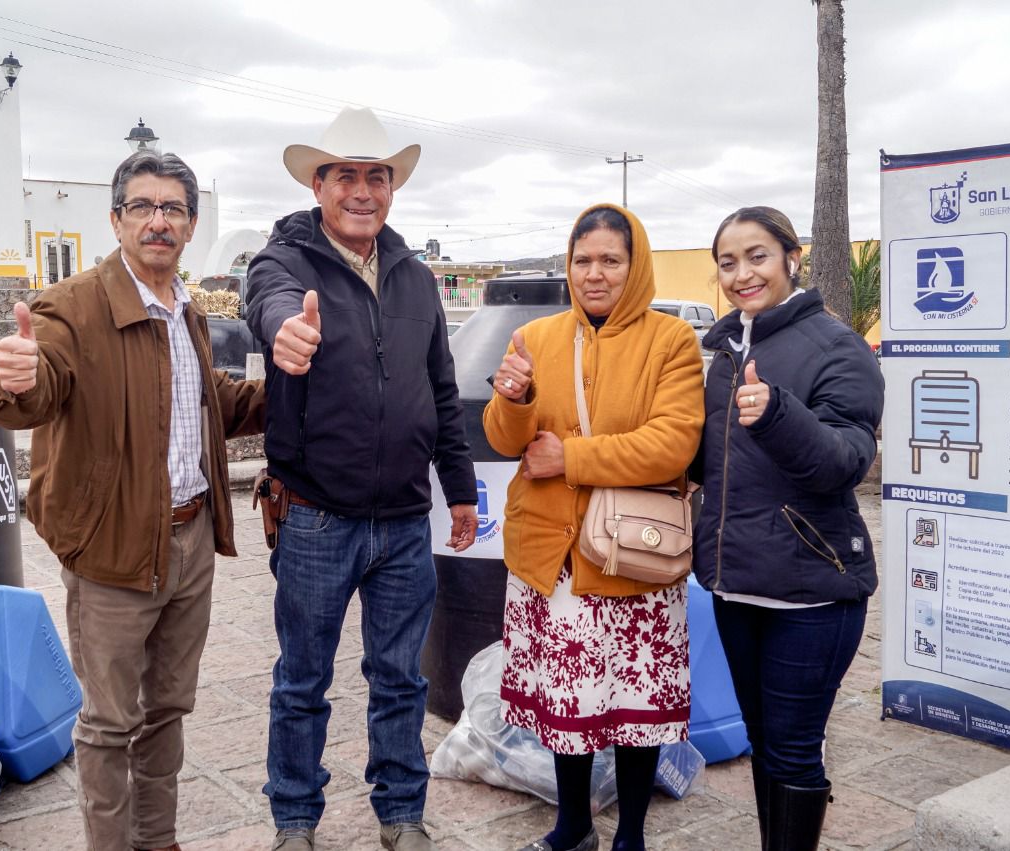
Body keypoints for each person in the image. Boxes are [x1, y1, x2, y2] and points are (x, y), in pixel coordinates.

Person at [0, 151, 266, 851]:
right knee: (109, 723)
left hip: (191, 542)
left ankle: (157, 838)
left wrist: (290, 388)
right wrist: (9, 375)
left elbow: (208, 403)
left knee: (167, 709)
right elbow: (36, 379)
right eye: (143, 206)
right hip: (111, 550)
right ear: (116, 219)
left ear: (191, 225)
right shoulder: (73, 307)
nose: (158, 221)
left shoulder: (186, 310)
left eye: (173, 209)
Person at [244, 106, 478, 851]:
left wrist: (463, 489)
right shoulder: (284, 261)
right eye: (345, 175)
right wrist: (286, 328)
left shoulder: (414, 277)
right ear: (319, 184)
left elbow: (441, 389)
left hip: (407, 521)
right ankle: (294, 818)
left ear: (391, 187)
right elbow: (267, 303)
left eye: (376, 176)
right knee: (302, 680)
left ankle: (402, 811)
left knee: (400, 679)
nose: (362, 191)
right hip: (315, 515)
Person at [483, 204, 705, 851]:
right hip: (553, 558)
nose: (595, 273)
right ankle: (573, 824)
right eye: (582, 260)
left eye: (611, 259)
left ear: (635, 267)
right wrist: (514, 399)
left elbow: (671, 444)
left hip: (631, 557)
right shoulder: (538, 338)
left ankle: (630, 834)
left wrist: (570, 457)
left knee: (635, 711)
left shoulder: (672, 341)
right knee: (567, 703)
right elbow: (503, 438)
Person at [693, 206, 883, 851]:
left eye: (757, 256)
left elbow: (845, 462)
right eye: (727, 262)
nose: (742, 273)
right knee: (765, 742)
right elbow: (706, 461)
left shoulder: (838, 345)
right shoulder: (724, 351)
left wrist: (776, 412)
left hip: (813, 592)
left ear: (790, 258)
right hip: (737, 586)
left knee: (796, 751)